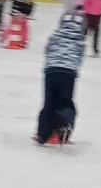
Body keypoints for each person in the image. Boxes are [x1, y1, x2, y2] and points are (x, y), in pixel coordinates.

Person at [34, 10, 86, 147]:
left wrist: (51, 64)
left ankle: (42, 135)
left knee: (49, 103)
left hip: (51, 72)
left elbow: (47, 51)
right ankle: (63, 127)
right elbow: (80, 58)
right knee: (65, 102)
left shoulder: (54, 36)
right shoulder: (80, 40)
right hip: (68, 74)